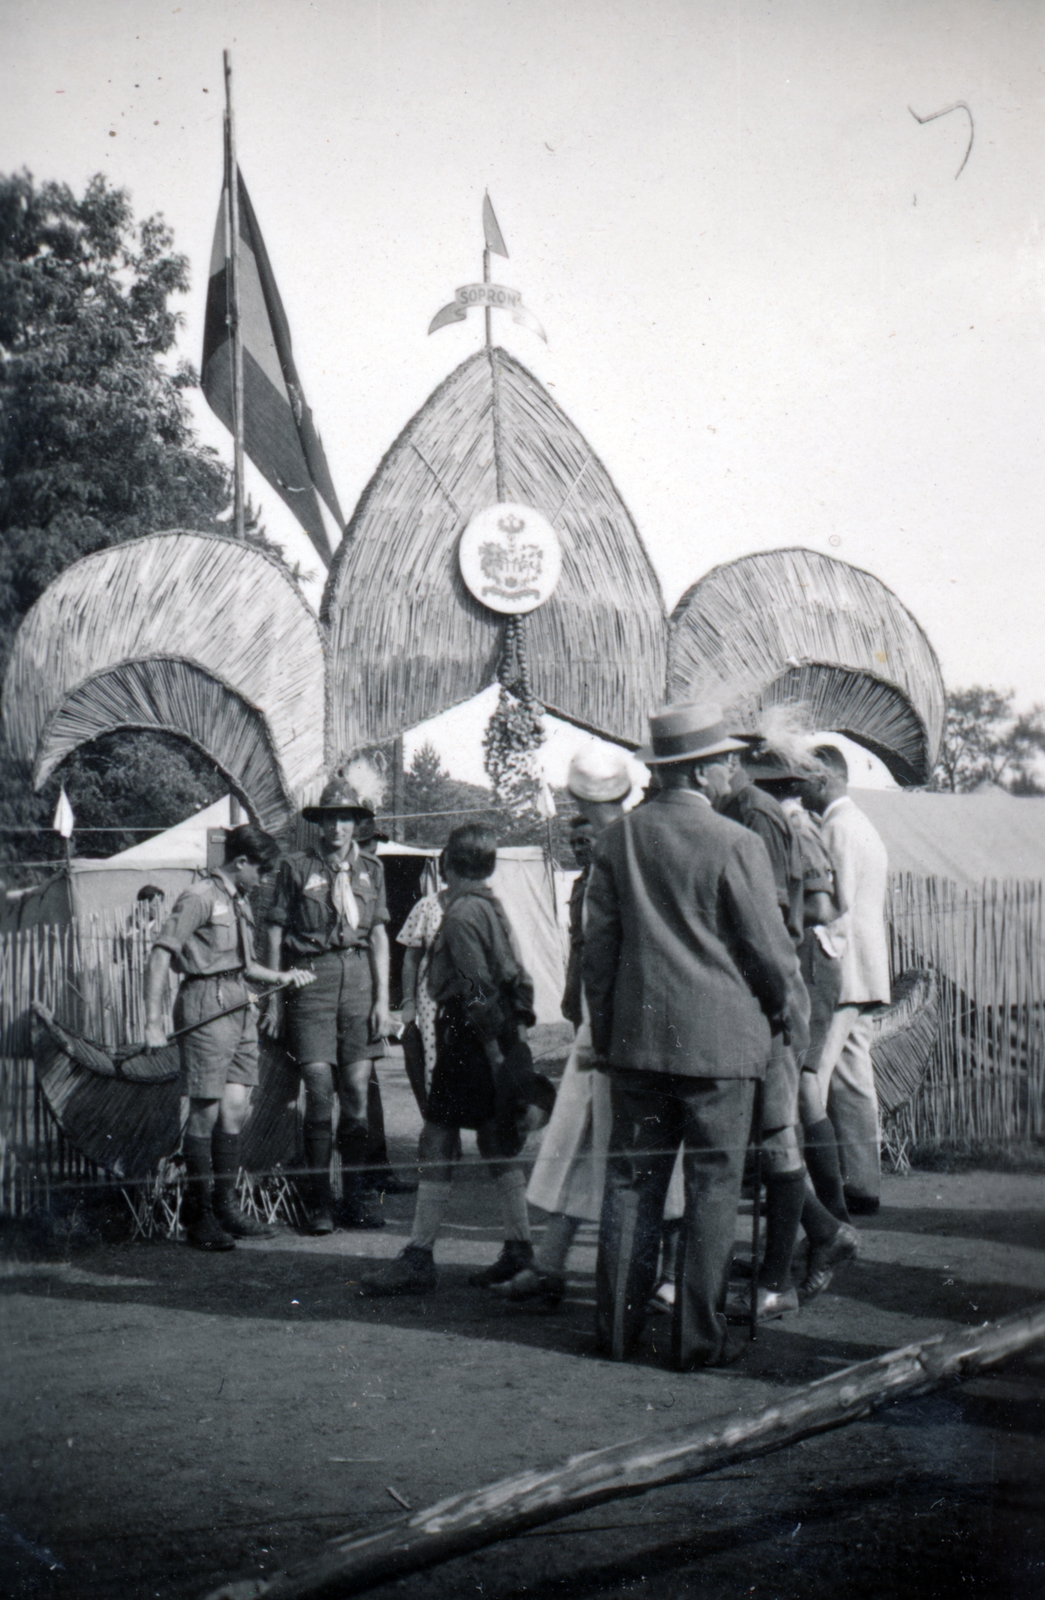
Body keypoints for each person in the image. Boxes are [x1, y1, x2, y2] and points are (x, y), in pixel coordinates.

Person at [584, 703, 802, 1369]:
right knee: (712, 1189)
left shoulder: (616, 839)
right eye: (724, 760)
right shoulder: (736, 843)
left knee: (630, 1184)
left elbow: (596, 952)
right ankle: (697, 1342)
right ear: (702, 770)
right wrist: (788, 1016)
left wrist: (606, 1032)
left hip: (639, 1043)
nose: (731, 769)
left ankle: (615, 1335)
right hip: (722, 1047)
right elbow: (770, 953)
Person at [361, 824, 537, 1296]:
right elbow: (519, 980)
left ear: (444, 864)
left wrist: (494, 1048)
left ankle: (419, 1255)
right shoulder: (494, 908)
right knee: (495, 1139)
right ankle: (520, 1248)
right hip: (494, 1036)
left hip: (468, 1036)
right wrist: (514, 1038)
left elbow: (478, 988)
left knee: (437, 1137)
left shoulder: (458, 915)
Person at [495, 749, 632, 1308]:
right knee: (577, 1142)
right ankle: (550, 1264)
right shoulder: (602, 859)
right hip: (597, 1022)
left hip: (629, 1025)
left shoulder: (633, 848)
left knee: (641, 1155)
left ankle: (661, 1278)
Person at [144, 824, 314, 1251]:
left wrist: (283, 976)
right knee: (205, 1108)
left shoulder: (237, 900)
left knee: (235, 1107)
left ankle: (226, 1207)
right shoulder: (200, 897)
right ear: (241, 862)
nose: (263, 879)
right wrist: (151, 1020)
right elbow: (162, 952)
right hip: (205, 1004)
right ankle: (198, 1216)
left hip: (239, 1004)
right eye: (261, 870)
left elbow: (245, 964)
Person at [703, 743, 812, 1325]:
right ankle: (821, 1233)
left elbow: (765, 923)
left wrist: (772, 1004)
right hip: (751, 987)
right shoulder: (739, 809)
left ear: (735, 764)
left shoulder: (754, 814)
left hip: (769, 985)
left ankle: (777, 1282)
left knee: (777, 1133)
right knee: (764, 1131)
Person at [747, 750, 861, 1300]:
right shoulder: (785, 819)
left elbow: (825, 903)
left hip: (808, 961)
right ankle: (821, 1227)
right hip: (802, 959)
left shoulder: (789, 821)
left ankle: (824, 1225)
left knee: (789, 1103)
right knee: (786, 1106)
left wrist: (776, 916)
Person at [263, 775, 394, 1234]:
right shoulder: (295, 868)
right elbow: (276, 933)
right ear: (318, 824)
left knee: (357, 1090)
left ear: (357, 823)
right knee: (318, 1089)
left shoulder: (372, 870)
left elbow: (378, 936)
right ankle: (319, 1202)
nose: (337, 827)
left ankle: (356, 1199)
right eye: (329, 818)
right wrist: (277, 1000)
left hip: (357, 981)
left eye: (346, 818)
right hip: (310, 982)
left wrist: (383, 999)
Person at [799, 743, 891, 1215]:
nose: (798, 788)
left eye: (803, 780)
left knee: (813, 1076)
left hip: (842, 969)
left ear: (823, 779)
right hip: (866, 969)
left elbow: (836, 907)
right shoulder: (862, 824)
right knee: (854, 1078)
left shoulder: (836, 829)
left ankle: (817, 1193)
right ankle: (862, 1184)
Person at [396, 855, 448, 1116]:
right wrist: (408, 1002)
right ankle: (444, 1135)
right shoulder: (427, 906)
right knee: (433, 1062)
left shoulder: (483, 905)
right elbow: (411, 959)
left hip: (473, 998)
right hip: (431, 1000)